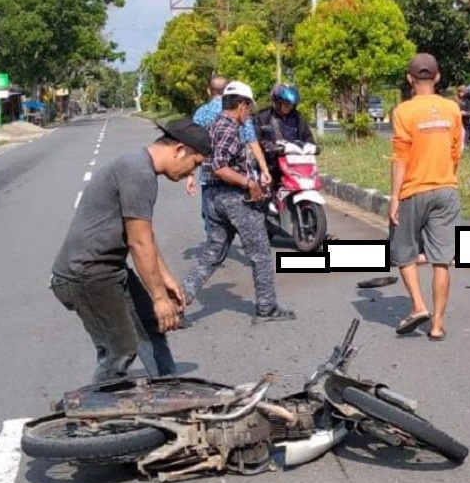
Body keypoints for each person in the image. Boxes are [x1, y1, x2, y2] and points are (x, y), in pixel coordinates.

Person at [49, 119, 211, 383]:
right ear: (180, 150)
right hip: (85, 275)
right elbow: (139, 243)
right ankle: (97, 405)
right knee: (119, 351)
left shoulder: (140, 166)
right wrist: (159, 298)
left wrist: (166, 278)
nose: (191, 172)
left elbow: (143, 235)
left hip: (108, 269)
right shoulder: (139, 173)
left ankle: (169, 389)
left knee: (150, 325)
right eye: (195, 163)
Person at [181, 82, 296, 322]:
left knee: (213, 252)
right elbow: (220, 166)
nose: (250, 113)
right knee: (260, 253)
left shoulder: (214, 125)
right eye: (249, 107)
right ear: (241, 105)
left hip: (212, 198)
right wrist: (248, 183)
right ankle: (267, 307)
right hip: (233, 198)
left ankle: (178, 300)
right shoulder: (229, 128)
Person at [390, 53, 463, 342]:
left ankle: (419, 306)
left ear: (409, 79)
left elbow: (400, 158)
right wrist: (446, 177)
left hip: (413, 190)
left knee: (404, 251)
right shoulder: (452, 109)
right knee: (442, 260)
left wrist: (394, 197)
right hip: (446, 190)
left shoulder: (403, 112)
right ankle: (437, 325)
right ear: (437, 77)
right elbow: (456, 151)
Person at [186, 75, 271, 231]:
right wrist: (264, 170)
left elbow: (194, 145)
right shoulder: (239, 110)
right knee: (250, 225)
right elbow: (253, 142)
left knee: (213, 224)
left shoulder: (201, 113)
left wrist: (190, 175)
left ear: (208, 91)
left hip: (209, 179)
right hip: (237, 179)